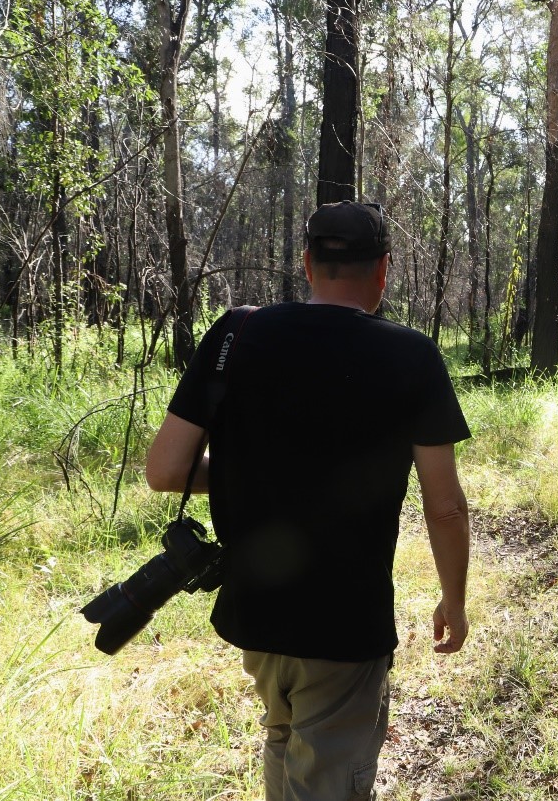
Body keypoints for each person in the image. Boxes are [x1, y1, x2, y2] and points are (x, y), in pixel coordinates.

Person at [145, 200, 471, 801]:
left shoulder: (236, 333)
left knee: (282, 736)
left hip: (257, 611)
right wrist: (454, 599)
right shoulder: (410, 354)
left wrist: (261, 469)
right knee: (325, 779)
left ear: (307, 264)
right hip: (344, 622)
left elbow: (165, 470)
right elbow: (444, 504)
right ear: (383, 271)